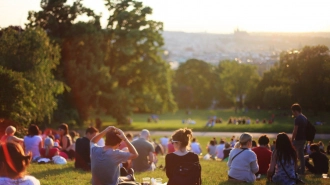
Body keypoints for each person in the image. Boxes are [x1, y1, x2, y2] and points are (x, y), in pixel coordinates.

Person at [291, 103, 307, 174]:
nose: (293, 113)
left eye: (293, 111)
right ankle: (302, 169)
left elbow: (295, 131)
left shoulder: (297, 119)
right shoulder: (304, 118)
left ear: (295, 111)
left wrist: (292, 140)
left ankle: (296, 168)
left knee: (294, 154)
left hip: (298, 139)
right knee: (301, 155)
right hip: (303, 138)